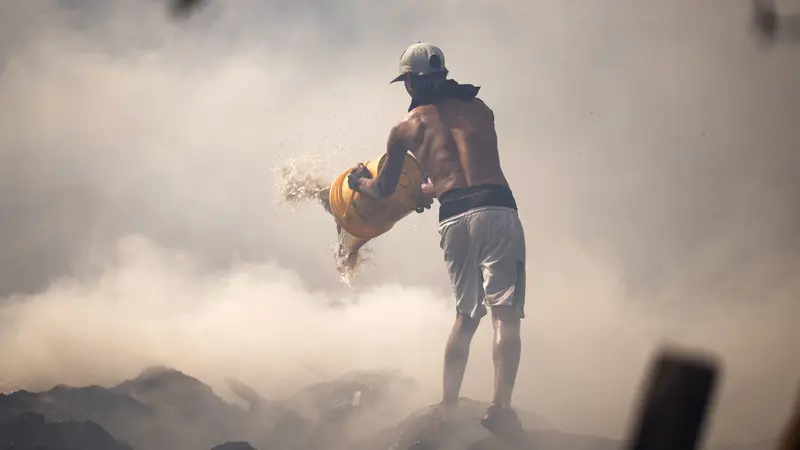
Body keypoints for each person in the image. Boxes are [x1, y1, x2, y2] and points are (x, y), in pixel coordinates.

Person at [348, 42, 527, 439]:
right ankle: (501, 408)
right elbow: (469, 168)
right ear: (443, 75)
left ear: (409, 81)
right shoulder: (482, 111)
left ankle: (448, 411)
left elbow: (382, 189)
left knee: (466, 317)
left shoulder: (405, 128)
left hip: (454, 217)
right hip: (498, 209)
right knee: (505, 314)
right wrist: (431, 189)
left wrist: (357, 181)